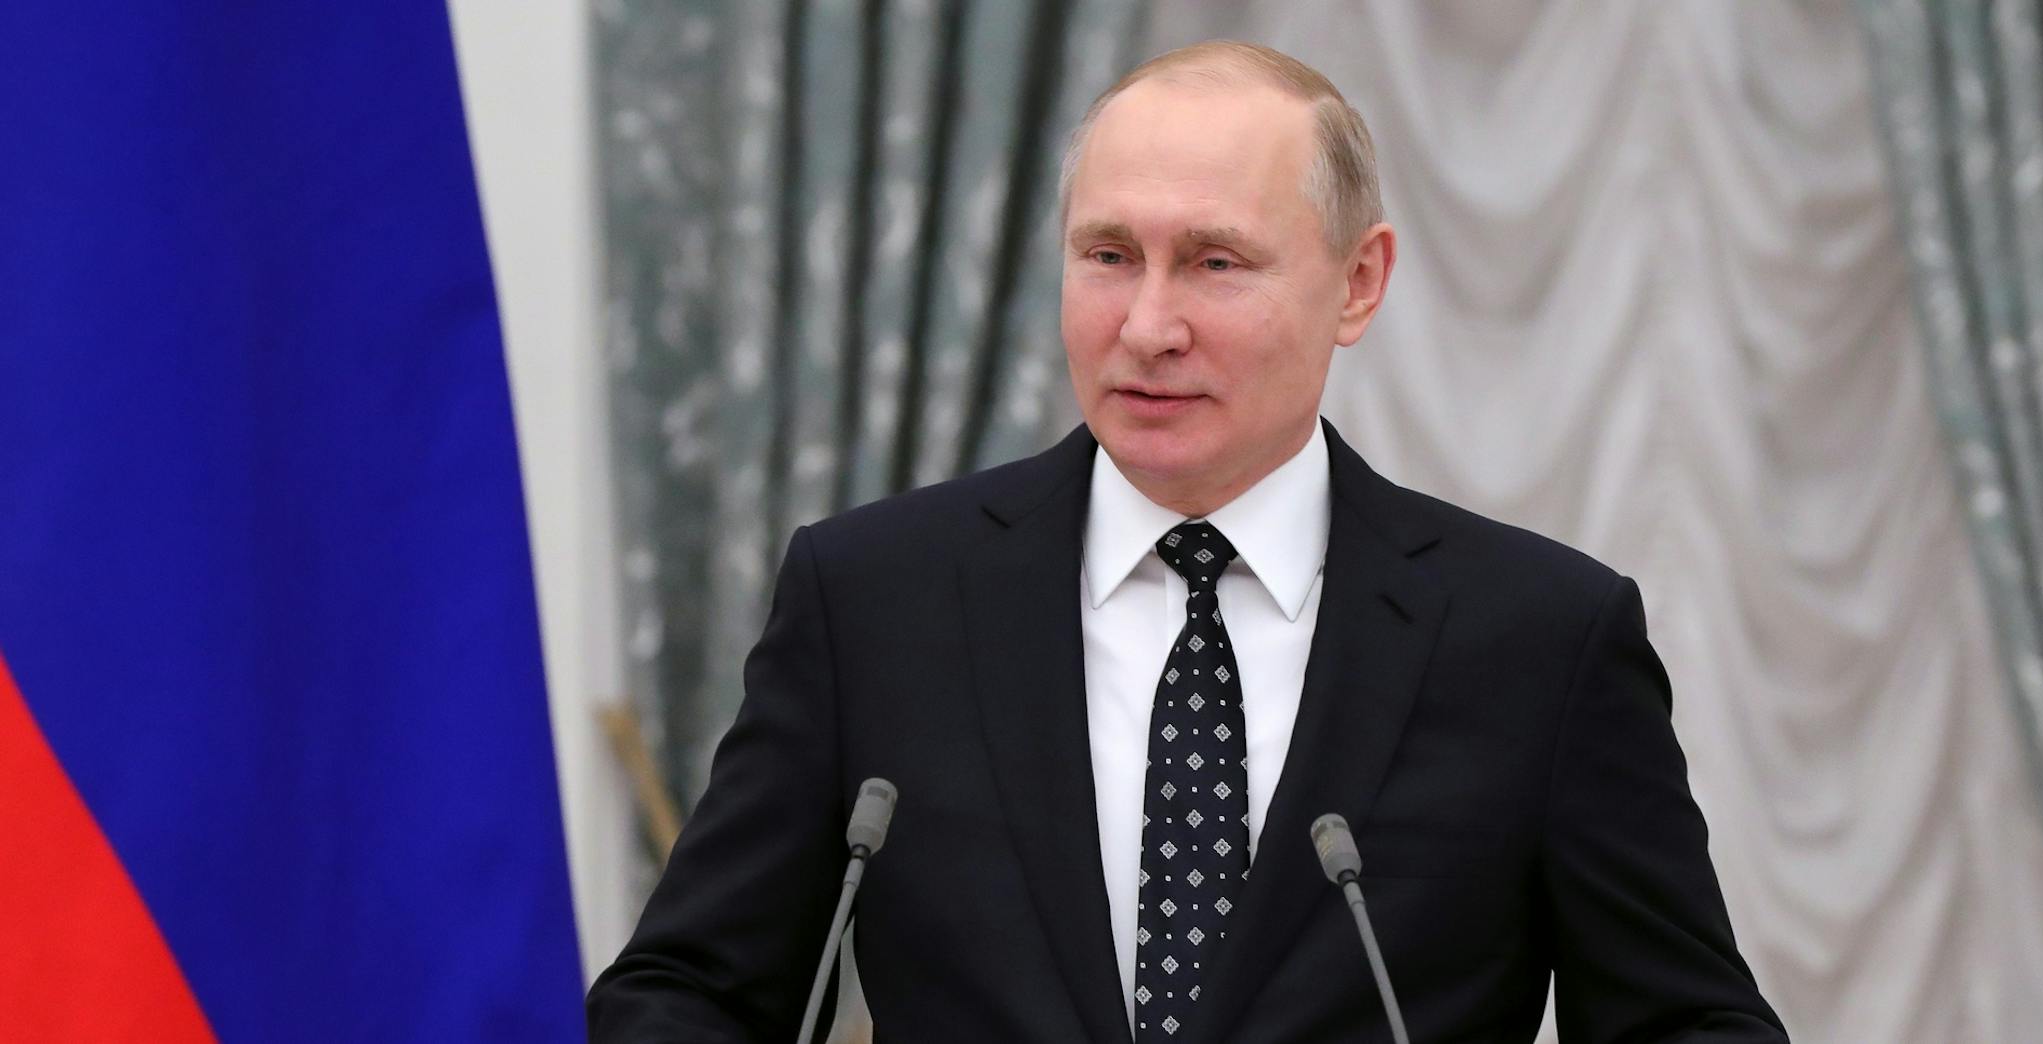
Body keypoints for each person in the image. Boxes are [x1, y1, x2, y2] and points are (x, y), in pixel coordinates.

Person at [588, 40, 1786, 1043]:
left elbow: (1691, 1026)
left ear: (1358, 284)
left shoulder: (1538, 640)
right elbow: (682, 993)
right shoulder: (874, 601)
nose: (1148, 324)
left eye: (1215, 263)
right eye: (1109, 256)